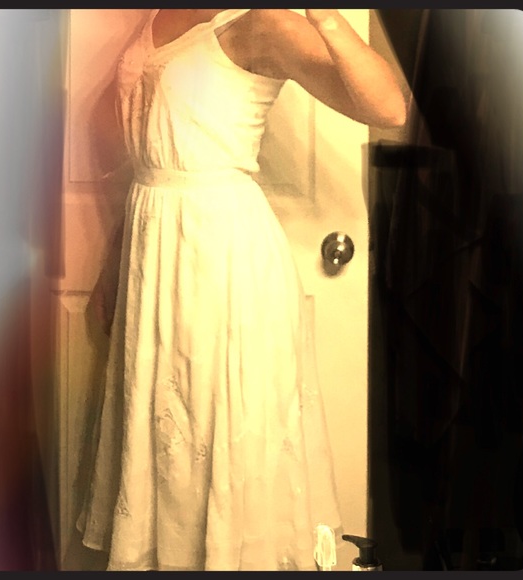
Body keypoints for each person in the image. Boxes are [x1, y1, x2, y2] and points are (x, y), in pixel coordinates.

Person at [77, 9, 405, 571]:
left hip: (220, 262)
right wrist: (116, 260)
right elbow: (151, 154)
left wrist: (327, 18)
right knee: (171, 446)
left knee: (221, 429)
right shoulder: (159, 12)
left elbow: (389, 109)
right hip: (156, 253)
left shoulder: (261, 23)